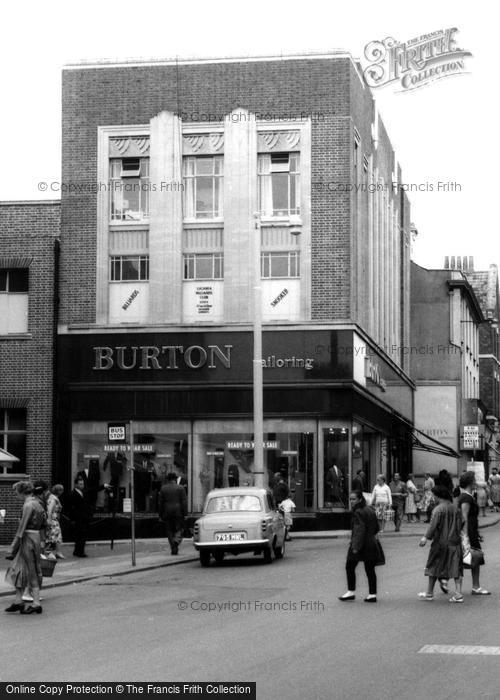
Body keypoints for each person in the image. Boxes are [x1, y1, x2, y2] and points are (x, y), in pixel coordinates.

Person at [4, 481, 46, 614]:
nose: (16, 495)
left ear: (22, 492)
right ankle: (18, 601)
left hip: (27, 538)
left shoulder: (28, 505)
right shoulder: (39, 503)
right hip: (36, 537)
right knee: (19, 568)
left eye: (17, 493)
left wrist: (12, 547)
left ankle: (36, 603)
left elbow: (21, 528)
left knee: (30, 569)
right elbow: (45, 523)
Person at [418, 485, 463, 603]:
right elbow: (461, 524)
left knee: (433, 566)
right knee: (456, 568)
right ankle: (458, 593)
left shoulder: (438, 510)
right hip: (455, 541)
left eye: (434, 495)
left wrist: (425, 538)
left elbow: (432, 526)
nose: (433, 497)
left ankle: (429, 593)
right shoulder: (456, 509)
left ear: (438, 496)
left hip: (440, 542)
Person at [338, 490, 385, 603]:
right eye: (350, 499)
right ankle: (372, 594)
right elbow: (376, 527)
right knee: (369, 569)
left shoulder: (358, 512)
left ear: (360, 499)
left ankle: (351, 592)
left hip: (361, 544)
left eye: (354, 499)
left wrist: (355, 547)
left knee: (350, 566)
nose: (351, 501)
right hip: (371, 543)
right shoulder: (369, 509)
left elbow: (359, 530)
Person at [457, 471, 491, 596]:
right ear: (470, 482)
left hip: (472, 532)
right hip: (468, 533)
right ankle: (475, 587)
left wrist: (477, 533)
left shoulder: (468, 496)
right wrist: (465, 536)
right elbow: (464, 517)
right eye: (474, 480)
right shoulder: (466, 497)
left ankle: (474, 586)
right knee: (473, 558)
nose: (476, 482)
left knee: (472, 559)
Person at [158, 472, 188, 555]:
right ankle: (175, 542)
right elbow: (184, 502)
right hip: (178, 511)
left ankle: (173, 546)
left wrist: (160, 515)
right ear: (175, 479)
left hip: (167, 511)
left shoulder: (163, 488)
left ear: (168, 479)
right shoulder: (181, 488)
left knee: (169, 530)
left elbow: (160, 503)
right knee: (179, 529)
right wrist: (185, 514)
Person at [65, 476, 92, 557]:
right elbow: (70, 508)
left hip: (84, 518)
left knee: (82, 535)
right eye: (80, 484)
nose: (82, 485)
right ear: (76, 484)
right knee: (80, 536)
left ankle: (77, 551)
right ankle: (80, 552)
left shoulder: (83, 492)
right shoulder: (72, 494)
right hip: (78, 518)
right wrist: (72, 519)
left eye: (83, 484)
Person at [46, 484, 65, 559]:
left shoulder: (52, 497)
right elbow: (50, 510)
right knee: (53, 536)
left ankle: (58, 552)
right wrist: (49, 520)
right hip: (53, 520)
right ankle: (54, 552)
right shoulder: (54, 499)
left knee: (57, 536)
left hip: (54, 519)